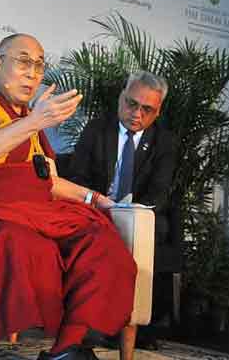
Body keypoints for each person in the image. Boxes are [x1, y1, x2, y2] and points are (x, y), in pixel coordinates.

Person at [0, 33, 137, 360]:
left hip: (41, 208)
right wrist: (35, 121)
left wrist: (97, 199)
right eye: (24, 62)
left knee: (100, 238)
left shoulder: (30, 119)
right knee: (32, 248)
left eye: (40, 65)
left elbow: (51, 181)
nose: (33, 73)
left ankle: (68, 346)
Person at [68, 71, 178, 351]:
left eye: (146, 109)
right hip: (95, 208)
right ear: (121, 98)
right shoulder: (96, 129)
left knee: (156, 229)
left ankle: (138, 324)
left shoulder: (164, 142)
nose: (136, 113)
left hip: (137, 214)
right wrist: (99, 202)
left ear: (157, 111)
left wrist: (131, 212)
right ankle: (89, 321)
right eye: (131, 103)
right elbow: (77, 177)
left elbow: (159, 191)